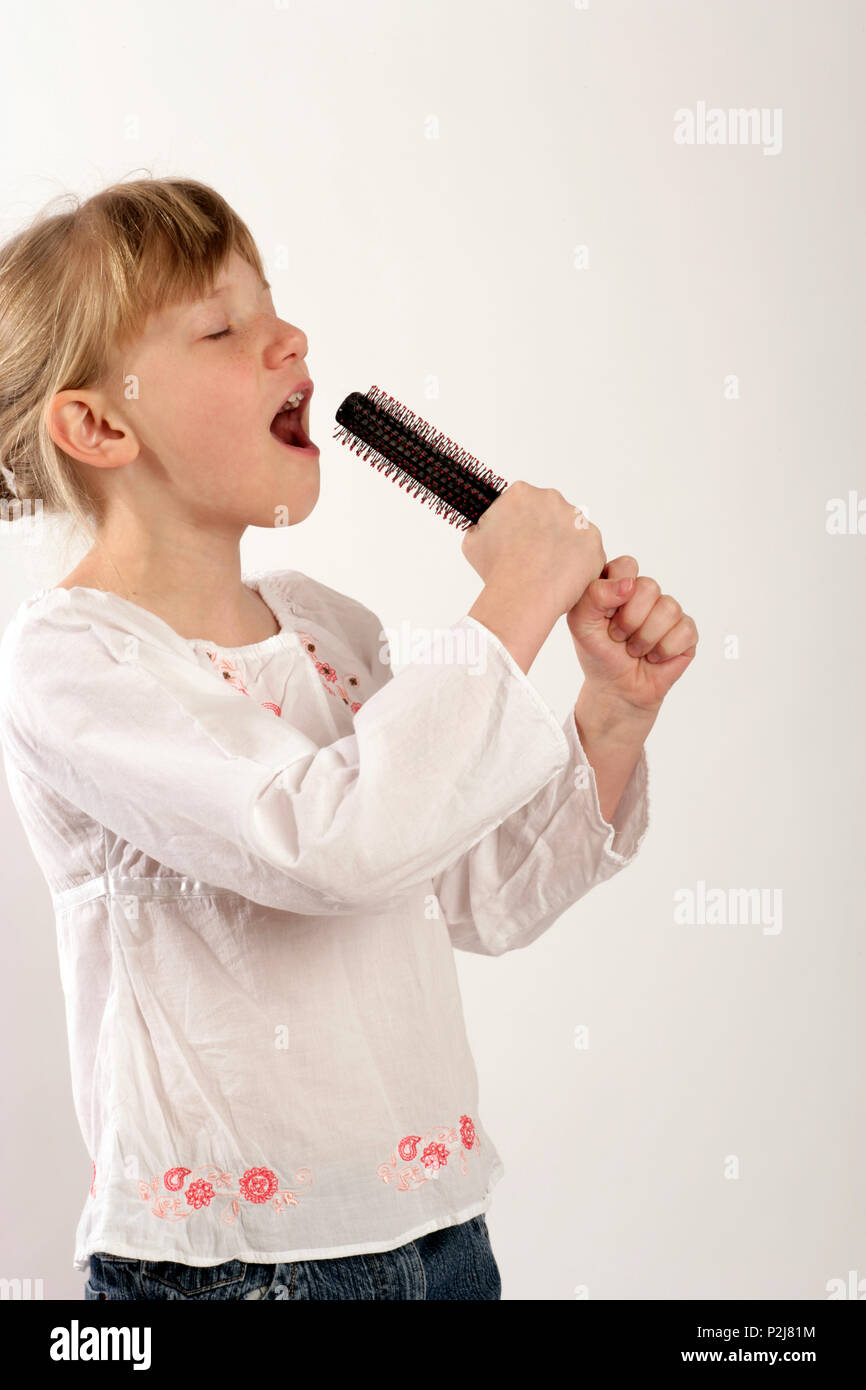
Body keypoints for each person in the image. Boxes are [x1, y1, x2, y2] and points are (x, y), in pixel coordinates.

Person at [0, 175, 696, 1300]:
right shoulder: (75, 661)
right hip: (232, 1264)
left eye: (271, 304)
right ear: (96, 422)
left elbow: (472, 891)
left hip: (442, 1236)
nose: (290, 339)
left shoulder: (325, 625)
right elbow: (323, 842)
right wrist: (512, 601)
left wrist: (609, 714)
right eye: (223, 328)